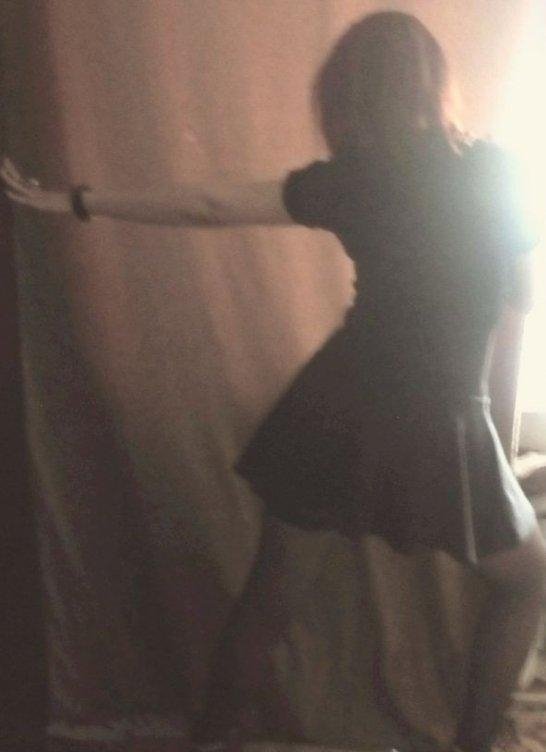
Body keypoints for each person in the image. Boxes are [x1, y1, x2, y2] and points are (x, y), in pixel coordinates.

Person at [3, 10, 546, 752]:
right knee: (526, 583)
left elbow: (208, 208)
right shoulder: (494, 173)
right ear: (433, 82)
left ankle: (208, 739)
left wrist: (74, 201)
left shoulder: (350, 182)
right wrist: (497, 438)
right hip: (434, 418)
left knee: (271, 598)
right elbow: (518, 306)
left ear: (347, 96)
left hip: (343, 407)